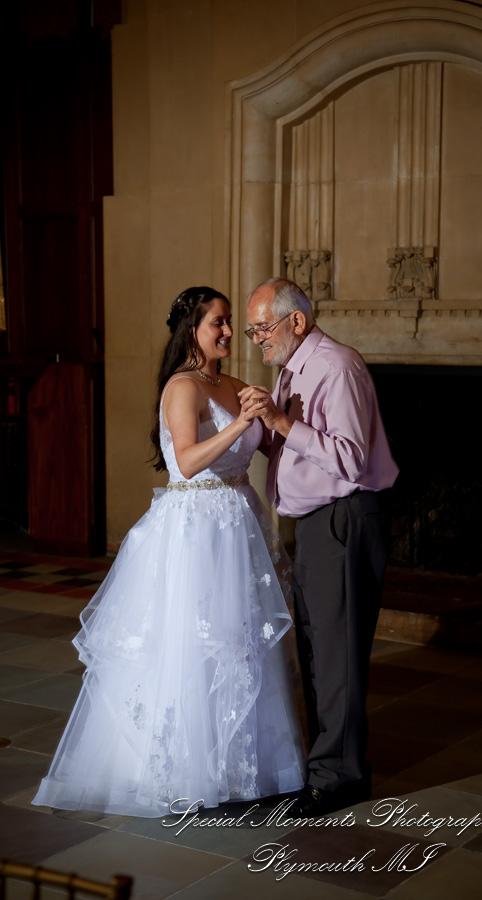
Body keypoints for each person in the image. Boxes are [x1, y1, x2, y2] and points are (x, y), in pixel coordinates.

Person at [31, 286, 305, 818]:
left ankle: (245, 765)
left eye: (230, 323)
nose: (228, 332)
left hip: (237, 524)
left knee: (241, 644)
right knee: (193, 644)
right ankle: (185, 769)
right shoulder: (183, 387)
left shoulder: (233, 384)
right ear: (192, 330)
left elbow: (261, 444)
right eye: (218, 323)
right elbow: (188, 458)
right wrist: (244, 424)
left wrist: (270, 414)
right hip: (196, 528)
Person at [240, 278, 399, 817]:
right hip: (316, 522)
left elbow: (350, 458)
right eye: (252, 329)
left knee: (338, 653)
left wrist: (282, 421)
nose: (256, 339)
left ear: (297, 322)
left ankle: (340, 778)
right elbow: (298, 443)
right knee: (317, 646)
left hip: (344, 519)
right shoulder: (292, 369)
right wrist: (261, 428)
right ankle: (326, 763)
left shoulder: (337, 367)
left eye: (262, 327)